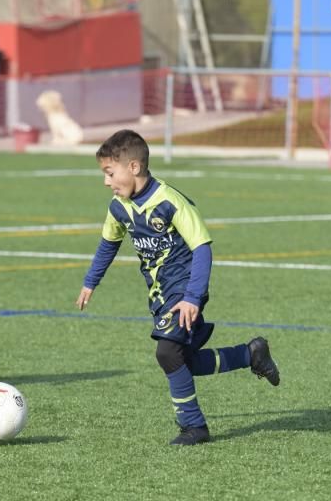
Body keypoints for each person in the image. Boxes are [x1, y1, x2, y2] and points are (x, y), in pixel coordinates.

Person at [75, 130, 281, 446]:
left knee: (167, 352)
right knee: (184, 362)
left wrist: (192, 297)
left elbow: (202, 247)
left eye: (109, 173)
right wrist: (91, 282)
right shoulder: (118, 207)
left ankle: (194, 427)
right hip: (159, 296)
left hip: (184, 291)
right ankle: (250, 354)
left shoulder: (171, 201)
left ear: (133, 167)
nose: (106, 182)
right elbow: (108, 244)